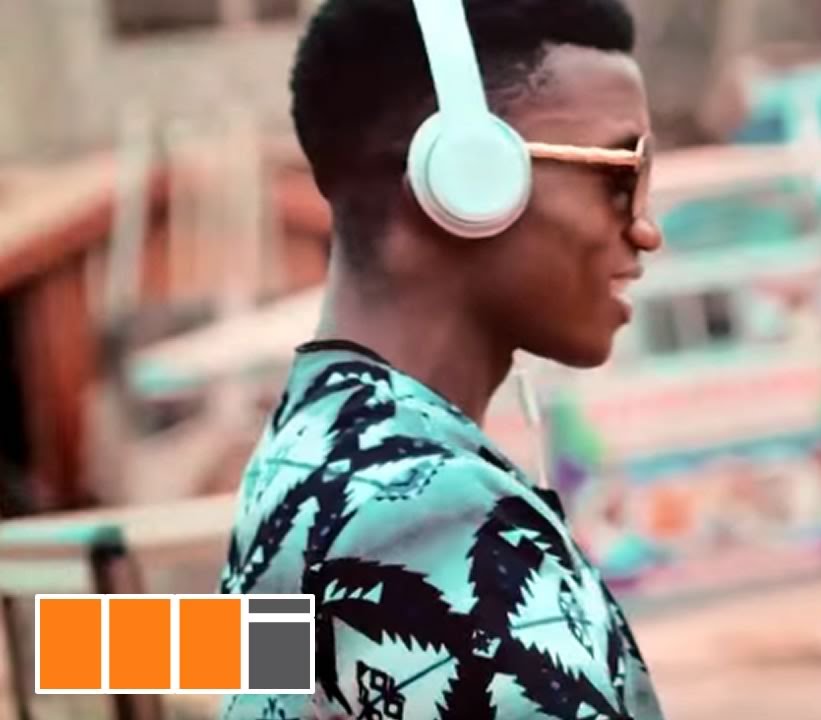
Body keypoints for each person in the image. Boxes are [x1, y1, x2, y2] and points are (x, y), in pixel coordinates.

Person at [217, 0, 664, 717]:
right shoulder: (424, 511)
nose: (645, 229)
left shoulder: (307, 449)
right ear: (467, 179)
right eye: (620, 176)